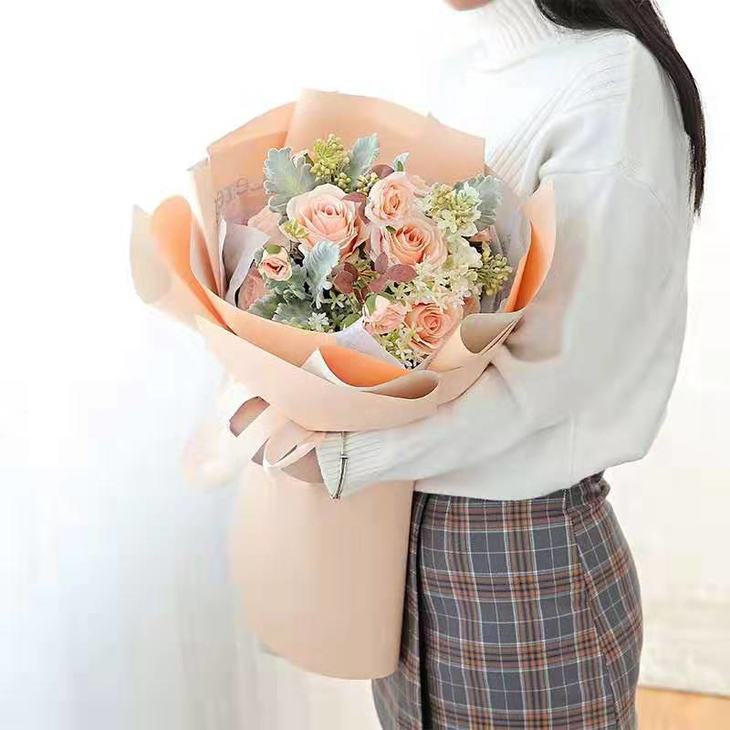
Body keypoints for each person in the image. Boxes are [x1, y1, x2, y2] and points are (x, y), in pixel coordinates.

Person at [313, 1, 704, 727]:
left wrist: (345, 454)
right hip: (396, 545)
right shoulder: (459, 67)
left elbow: (559, 367)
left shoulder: (612, 80)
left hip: (522, 558)